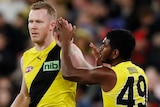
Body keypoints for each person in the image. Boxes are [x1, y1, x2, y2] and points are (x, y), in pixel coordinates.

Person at [11, 1, 93, 107]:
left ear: (52, 25)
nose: (33, 26)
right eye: (30, 22)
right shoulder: (26, 57)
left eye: (39, 22)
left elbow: (89, 76)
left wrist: (68, 48)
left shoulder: (66, 49)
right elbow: (24, 96)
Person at [56, 18, 148, 107]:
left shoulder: (109, 74)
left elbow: (68, 73)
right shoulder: (140, 72)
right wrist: (99, 67)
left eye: (104, 46)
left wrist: (66, 43)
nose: (100, 48)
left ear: (115, 53)